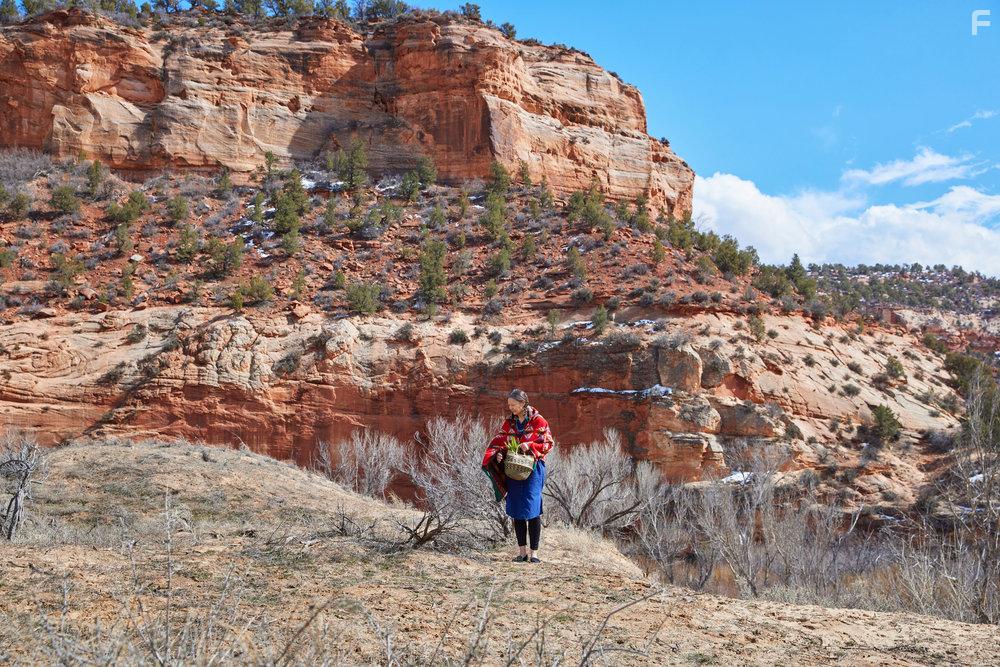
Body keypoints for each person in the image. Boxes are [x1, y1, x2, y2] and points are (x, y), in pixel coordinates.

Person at [481, 388, 554, 563]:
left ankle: (534, 553)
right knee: (516, 509)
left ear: (523, 403)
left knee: (533, 508)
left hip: (533, 469)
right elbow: (499, 442)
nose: (511, 408)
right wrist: (500, 454)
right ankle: (522, 553)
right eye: (509, 405)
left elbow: (548, 443)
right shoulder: (509, 423)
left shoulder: (539, 421)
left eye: (513, 405)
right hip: (513, 470)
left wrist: (530, 446)